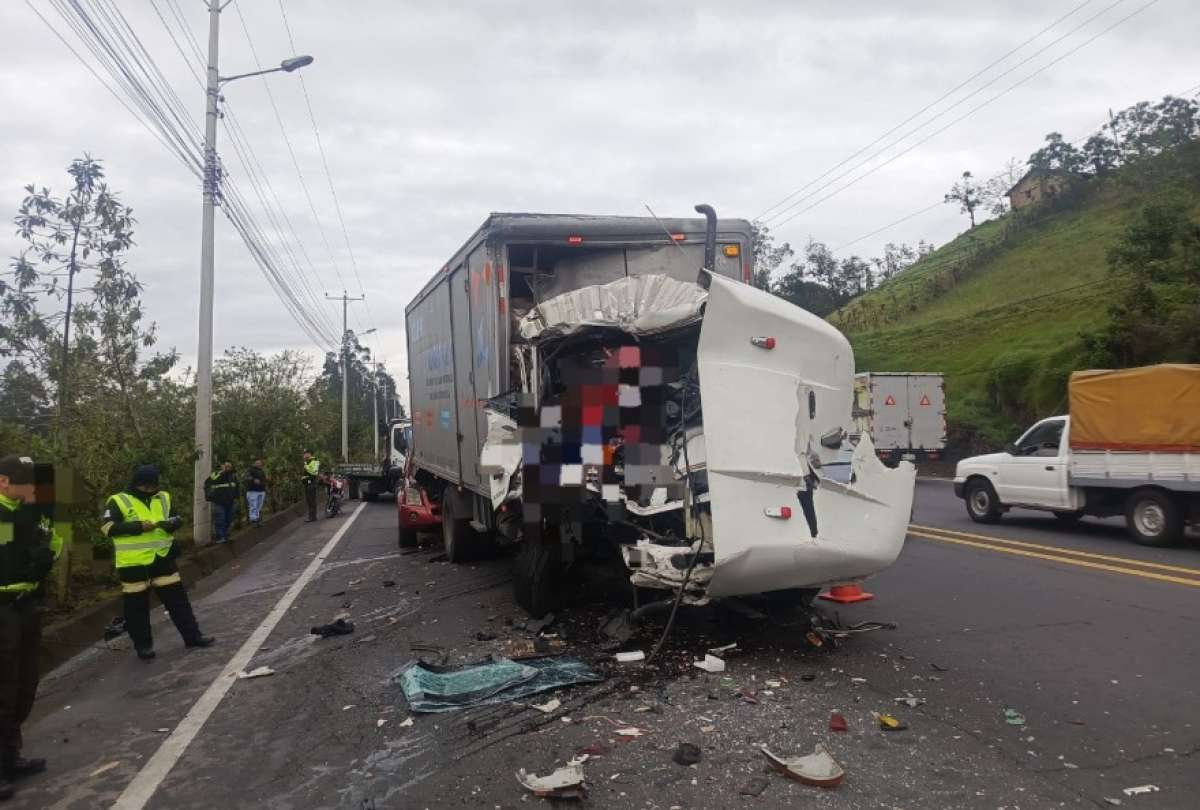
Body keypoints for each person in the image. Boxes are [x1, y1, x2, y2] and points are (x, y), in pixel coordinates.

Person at [101, 465, 213, 661]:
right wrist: (137, 526)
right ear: (136, 484)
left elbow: (176, 517)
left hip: (162, 558)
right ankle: (144, 647)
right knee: (137, 609)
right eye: (145, 487)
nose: (149, 490)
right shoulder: (118, 500)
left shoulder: (163, 497)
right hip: (133, 564)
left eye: (152, 487)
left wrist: (174, 523)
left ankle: (193, 637)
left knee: (178, 602)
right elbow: (108, 528)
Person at [0, 455, 60, 801]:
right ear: (4, 482)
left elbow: (49, 545)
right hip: (2, 609)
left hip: (25, 606)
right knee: (2, 689)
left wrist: (46, 553)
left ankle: (10, 757)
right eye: (25, 483)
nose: (32, 490)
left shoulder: (26, 512)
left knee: (23, 686)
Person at [203, 460, 239, 544]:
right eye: (226, 466)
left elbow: (237, 487)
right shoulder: (216, 474)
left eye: (229, 466)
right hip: (219, 501)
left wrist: (236, 497)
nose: (227, 468)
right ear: (222, 466)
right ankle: (220, 537)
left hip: (230, 501)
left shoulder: (233, 476)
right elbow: (209, 483)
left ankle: (226, 536)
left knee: (228, 519)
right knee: (220, 519)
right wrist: (222, 472)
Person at [244, 459, 267, 528]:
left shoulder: (262, 471)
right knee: (253, 506)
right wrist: (253, 479)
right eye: (257, 463)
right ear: (254, 463)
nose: (259, 464)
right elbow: (246, 477)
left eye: (260, 463)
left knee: (259, 506)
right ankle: (253, 521)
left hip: (261, 491)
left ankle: (258, 520)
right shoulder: (250, 470)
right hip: (252, 491)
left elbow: (264, 480)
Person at [302, 451, 320, 523]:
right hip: (307, 483)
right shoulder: (307, 461)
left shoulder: (315, 461)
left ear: (309, 454)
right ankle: (311, 516)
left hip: (311, 483)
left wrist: (306, 466)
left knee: (311, 500)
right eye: (304, 454)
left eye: (305, 453)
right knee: (309, 500)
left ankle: (312, 517)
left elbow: (314, 472)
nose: (304, 455)